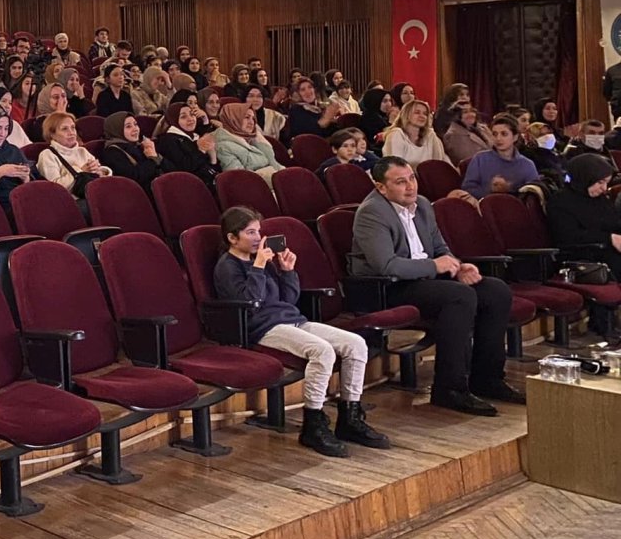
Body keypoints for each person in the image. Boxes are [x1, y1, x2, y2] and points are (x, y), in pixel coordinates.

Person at [349, 157, 522, 415]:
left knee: (495, 291)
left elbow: (440, 248)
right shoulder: (371, 213)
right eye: (400, 182)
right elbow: (387, 266)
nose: (410, 186)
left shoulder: (422, 205)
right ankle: (449, 389)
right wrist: (435, 266)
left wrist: (458, 266)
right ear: (381, 187)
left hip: (425, 279)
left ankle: (488, 378)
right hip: (387, 288)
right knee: (459, 296)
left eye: (412, 178)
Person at [214, 207, 388, 456]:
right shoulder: (227, 266)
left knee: (356, 344)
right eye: (250, 232)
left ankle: (350, 416)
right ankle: (313, 423)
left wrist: (287, 272)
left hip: (292, 319)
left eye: (258, 232)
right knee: (322, 351)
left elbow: (288, 300)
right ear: (232, 238)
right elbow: (250, 303)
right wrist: (259, 266)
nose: (258, 238)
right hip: (263, 328)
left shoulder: (261, 261)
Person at [547, 153, 621, 281]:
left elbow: (613, 223)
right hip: (581, 258)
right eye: (600, 182)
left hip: (606, 252)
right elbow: (568, 237)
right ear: (585, 178)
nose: (604, 188)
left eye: (606, 183)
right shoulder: (560, 201)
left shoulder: (600, 200)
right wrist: (609, 238)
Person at [459, 114, 540, 198]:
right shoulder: (480, 159)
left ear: (515, 137)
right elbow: (467, 188)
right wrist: (490, 191)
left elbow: (534, 195)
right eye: (495, 134)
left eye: (504, 134)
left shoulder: (527, 165)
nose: (498, 138)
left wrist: (508, 190)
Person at [36, 111, 110, 193]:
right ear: (52, 134)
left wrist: (101, 171)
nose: (71, 133)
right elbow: (55, 189)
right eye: (64, 129)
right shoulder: (47, 155)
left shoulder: (82, 151)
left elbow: (98, 177)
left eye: (73, 127)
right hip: (68, 199)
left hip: (92, 194)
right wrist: (80, 172)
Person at [212, 102, 282, 185]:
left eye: (253, 119)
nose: (251, 122)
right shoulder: (224, 147)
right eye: (247, 117)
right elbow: (240, 179)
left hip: (273, 184)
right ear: (233, 119)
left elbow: (275, 165)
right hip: (256, 189)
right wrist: (275, 177)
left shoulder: (253, 139)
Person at [154, 103, 219, 184]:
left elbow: (212, 170)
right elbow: (185, 169)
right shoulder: (168, 141)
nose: (190, 119)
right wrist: (200, 150)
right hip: (190, 186)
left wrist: (213, 157)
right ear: (174, 120)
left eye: (192, 114)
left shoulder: (195, 136)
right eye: (183, 117)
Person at [100, 112, 164, 190]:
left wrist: (155, 155)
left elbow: (171, 169)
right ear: (116, 129)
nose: (135, 129)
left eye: (135, 124)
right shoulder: (112, 152)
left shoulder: (139, 145)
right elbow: (134, 177)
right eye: (128, 126)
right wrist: (152, 159)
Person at [382, 99, 450, 168]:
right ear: (406, 114)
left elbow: (440, 162)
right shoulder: (396, 134)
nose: (422, 116)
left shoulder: (430, 135)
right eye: (417, 112)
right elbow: (395, 166)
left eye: (425, 114)